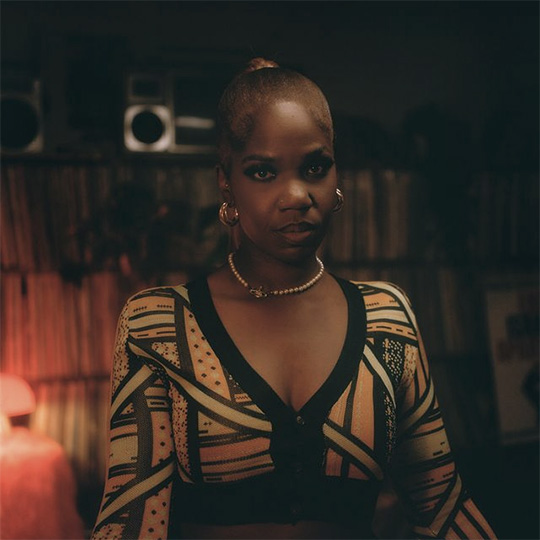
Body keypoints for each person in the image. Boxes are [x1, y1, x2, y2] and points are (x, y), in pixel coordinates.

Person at [91, 58, 496, 539]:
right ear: (226, 180)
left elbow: (440, 501)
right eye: (263, 172)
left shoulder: (387, 317)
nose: (297, 194)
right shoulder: (159, 325)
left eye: (314, 166)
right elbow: (132, 520)